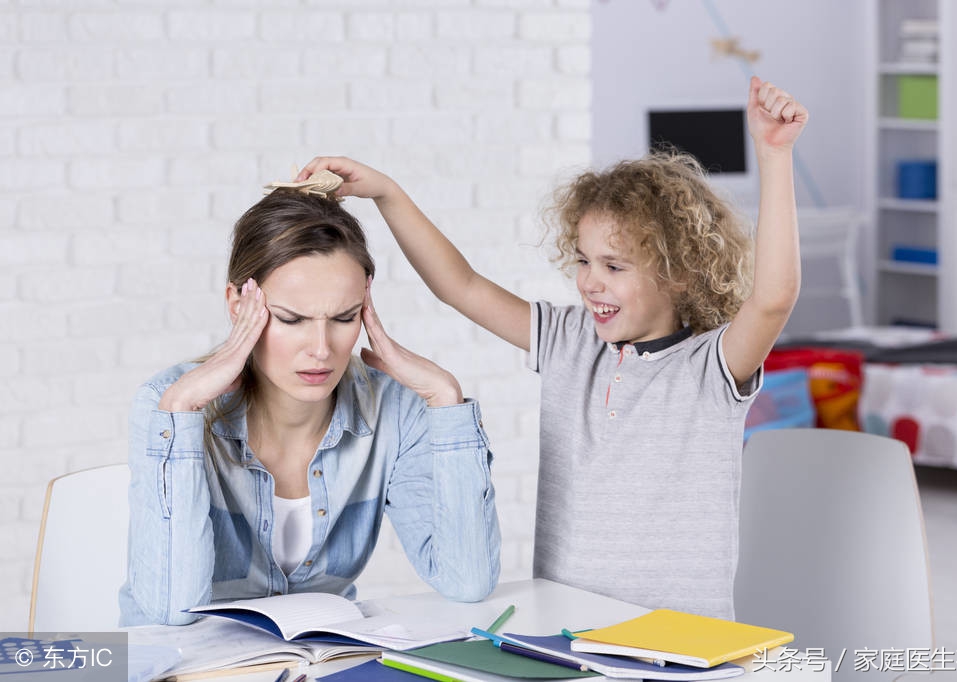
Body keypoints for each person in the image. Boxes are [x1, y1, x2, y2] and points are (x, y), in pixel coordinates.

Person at [297, 76, 807, 620]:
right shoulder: (571, 340)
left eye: (614, 266)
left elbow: (772, 300)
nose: (590, 282)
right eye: (584, 261)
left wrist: (774, 156)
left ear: (678, 274)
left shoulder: (710, 368)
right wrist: (386, 193)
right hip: (568, 632)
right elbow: (460, 286)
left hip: (681, 644)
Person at [118, 184, 501, 627]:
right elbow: (170, 610)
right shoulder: (168, 404)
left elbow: (467, 581)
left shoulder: (395, 411)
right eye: (291, 319)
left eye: (343, 318)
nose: (321, 349)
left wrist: (445, 399)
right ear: (238, 305)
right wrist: (182, 410)